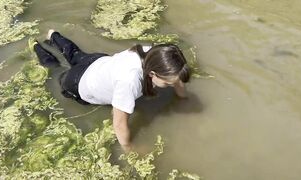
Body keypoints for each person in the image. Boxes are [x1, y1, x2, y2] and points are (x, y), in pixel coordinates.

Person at [33, 29, 191, 151]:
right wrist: (130, 149)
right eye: (169, 84)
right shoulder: (130, 82)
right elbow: (119, 124)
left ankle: (52, 35)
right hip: (77, 83)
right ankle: (36, 47)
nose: (173, 85)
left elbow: (176, 79)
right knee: (55, 71)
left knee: (74, 54)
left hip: (98, 61)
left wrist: (183, 98)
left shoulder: (153, 52)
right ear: (152, 74)